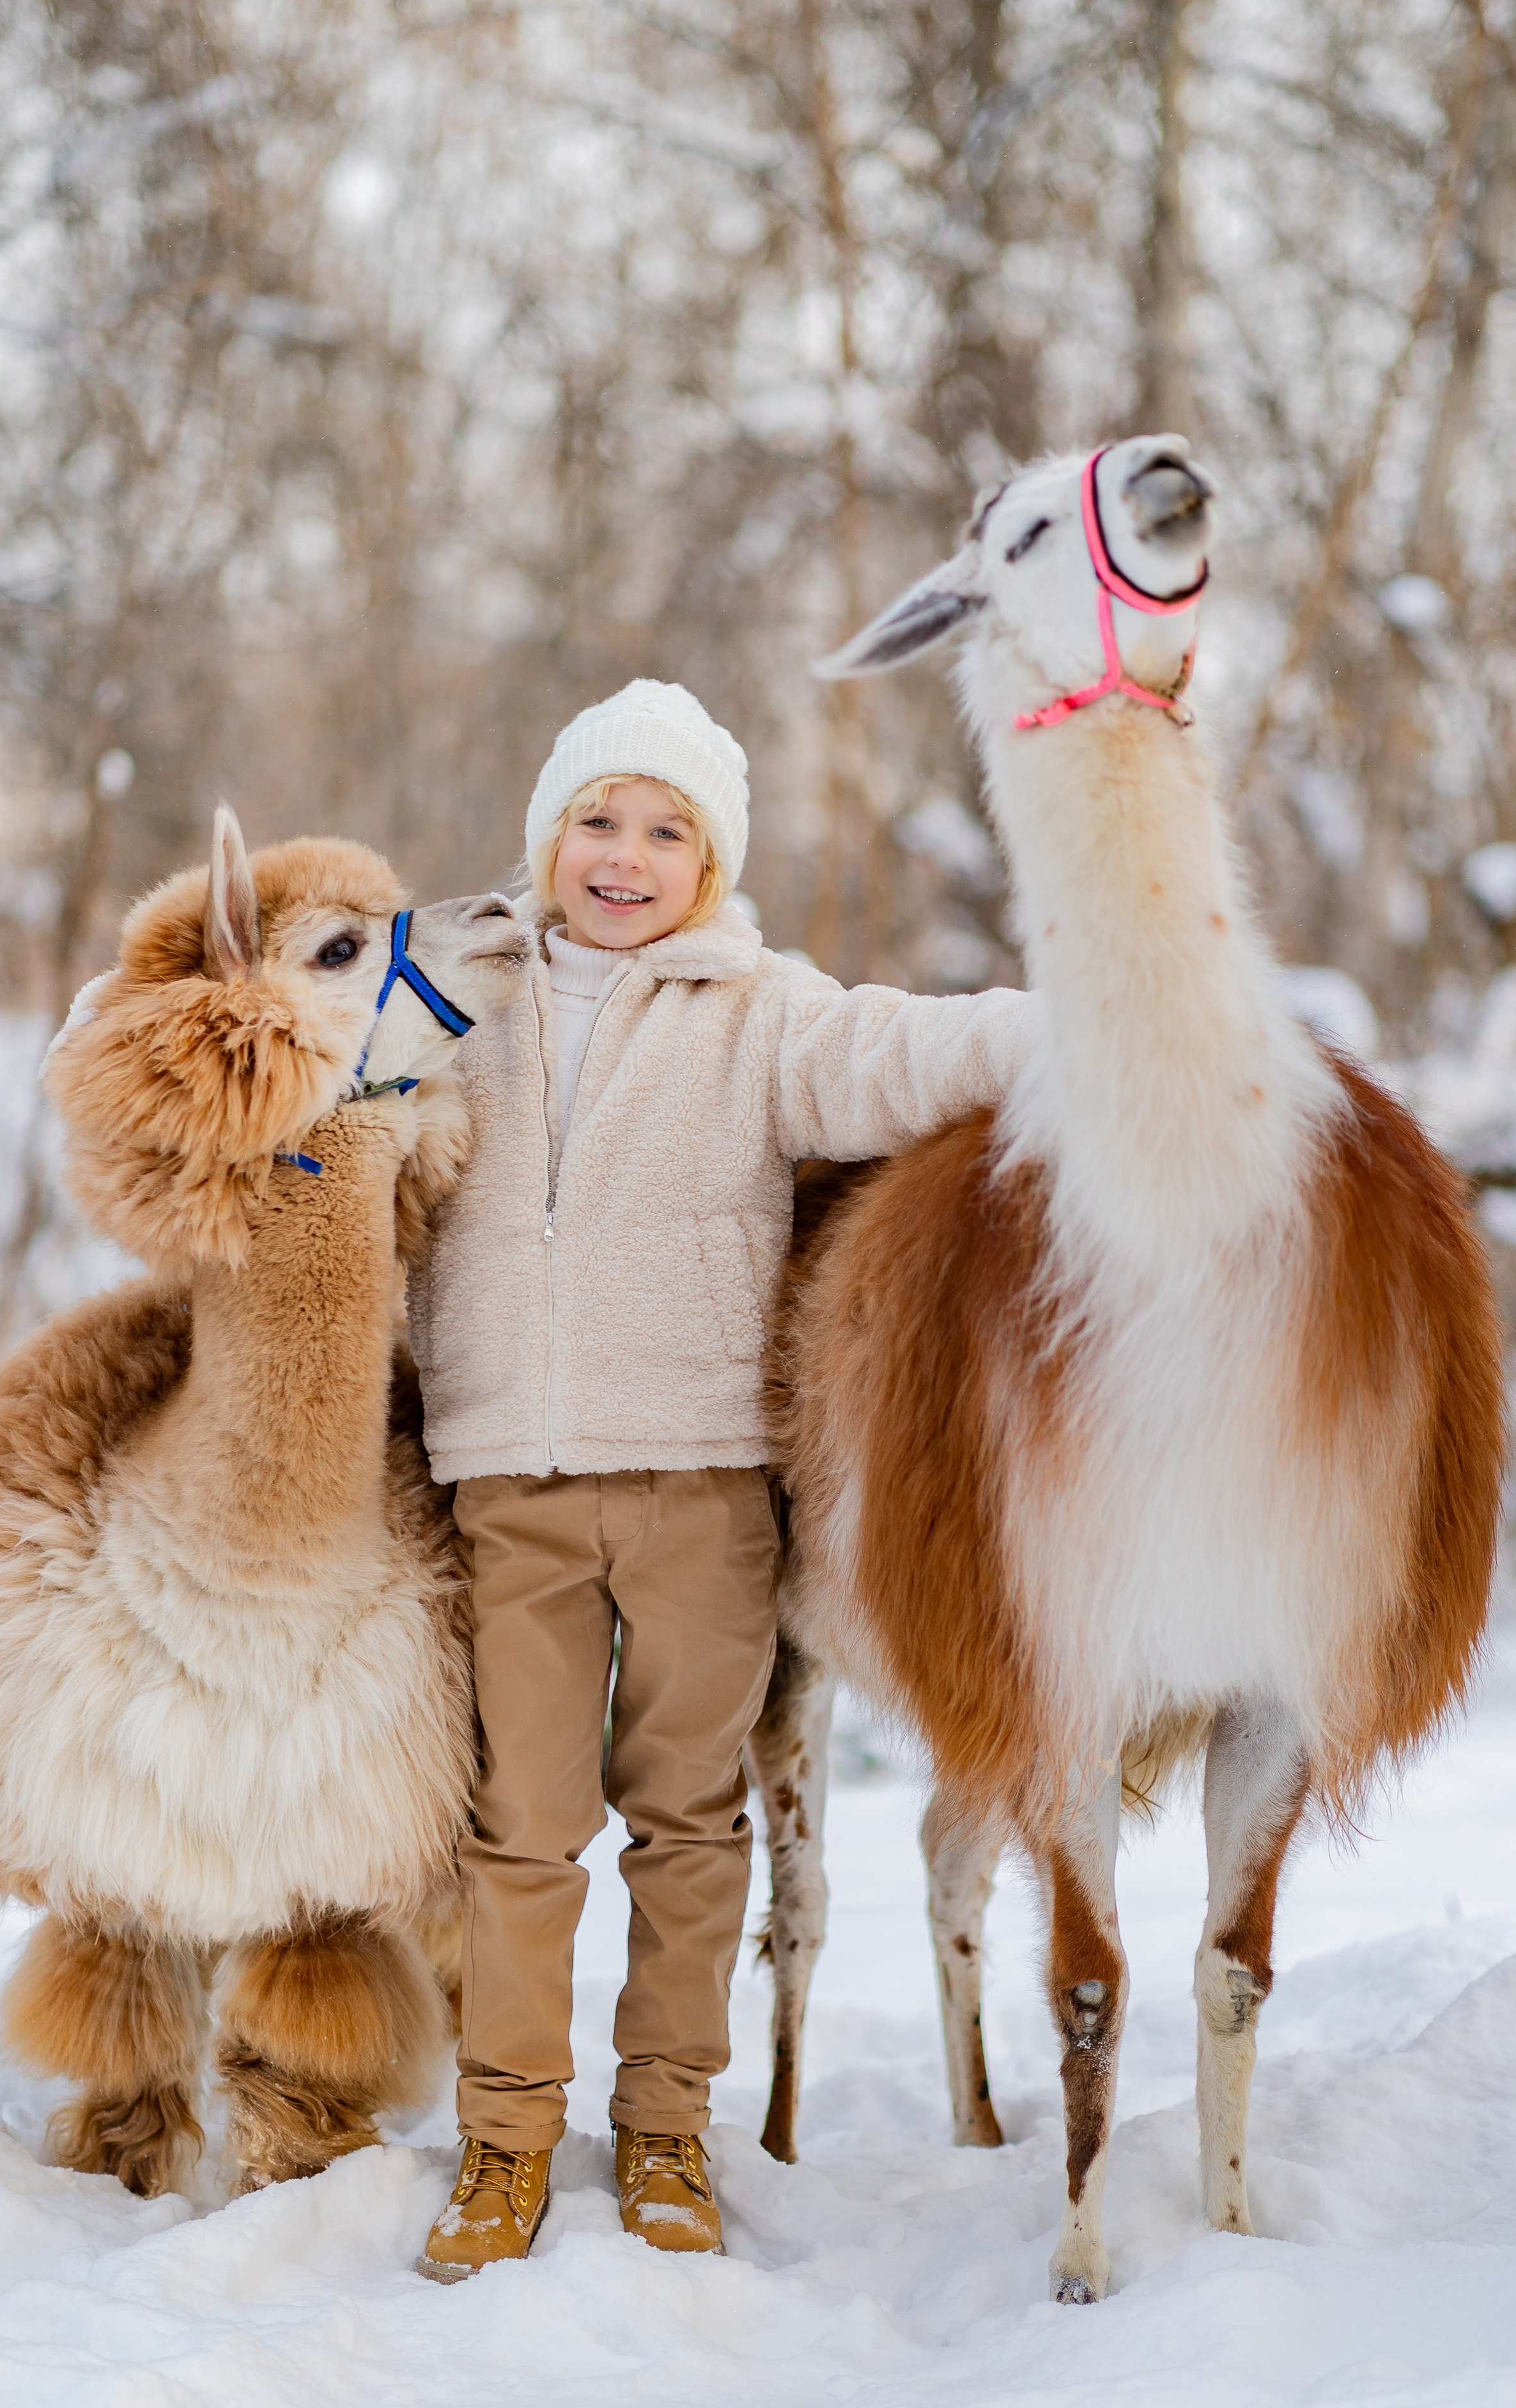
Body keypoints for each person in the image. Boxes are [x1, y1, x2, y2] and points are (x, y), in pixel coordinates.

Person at [408, 679, 1037, 2280]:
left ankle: (670, 2128)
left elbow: (912, 1053)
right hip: (509, 1480)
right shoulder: (461, 996)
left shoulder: (766, 1015)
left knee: (686, 1825)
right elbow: (319, 1079)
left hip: (700, 1482)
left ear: (712, 863)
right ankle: (503, 2139)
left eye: (666, 830)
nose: (624, 858)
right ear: (551, 837)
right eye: (597, 822)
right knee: (519, 1824)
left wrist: (1090, 1021)